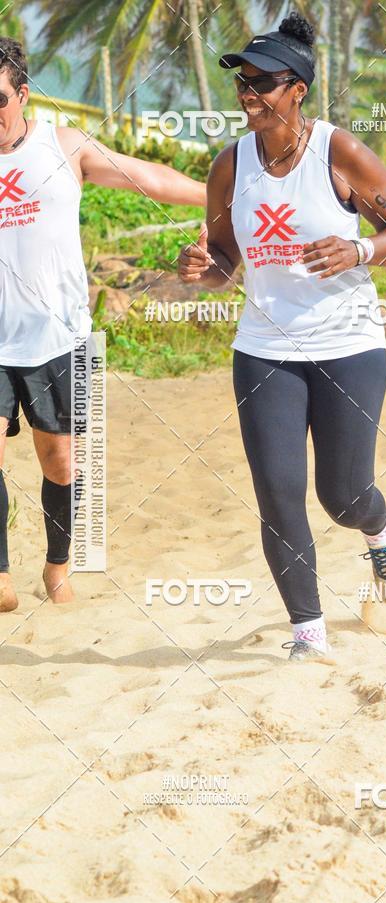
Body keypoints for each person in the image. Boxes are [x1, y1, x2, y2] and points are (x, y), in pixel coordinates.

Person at [178, 12, 386, 661]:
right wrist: (205, 271)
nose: (249, 93)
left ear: (298, 90)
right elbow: (225, 259)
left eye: (263, 82)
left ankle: (382, 535)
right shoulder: (230, 167)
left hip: (349, 346)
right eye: (242, 82)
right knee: (279, 497)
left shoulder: (339, 153)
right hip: (264, 350)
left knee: (342, 496)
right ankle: (308, 636)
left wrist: (360, 249)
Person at [0, 38, 207, 611]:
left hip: (56, 337)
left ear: (22, 95)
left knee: (60, 461)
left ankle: (57, 567)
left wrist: (223, 197)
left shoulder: (63, 146)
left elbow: (148, 178)